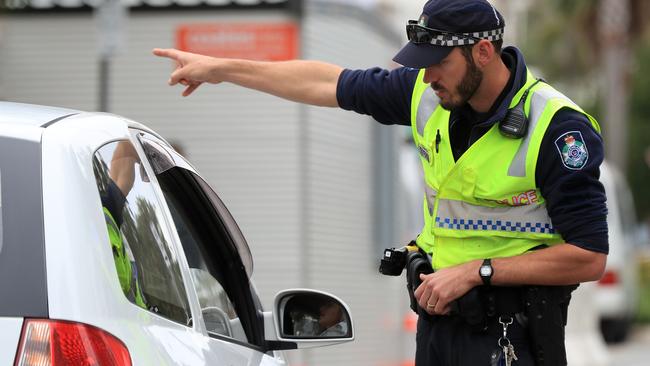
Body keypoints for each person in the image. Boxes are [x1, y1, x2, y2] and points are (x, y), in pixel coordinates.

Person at [153, 0, 608, 364]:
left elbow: (588, 257)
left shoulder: (557, 129)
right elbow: (326, 82)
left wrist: (476, 273)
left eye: (438, 63)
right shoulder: (427, 96)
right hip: (440, 325)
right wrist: (223, 69)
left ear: (482, 52)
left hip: (514, 337)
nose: (428, 77)